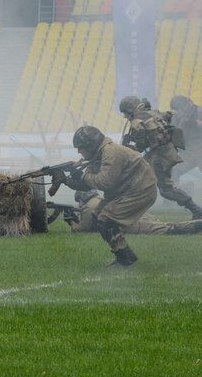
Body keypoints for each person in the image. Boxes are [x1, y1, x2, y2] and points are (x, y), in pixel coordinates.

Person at [62, 125, 158, 266]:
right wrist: (67, 180)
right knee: (98, 215)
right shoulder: (100, 154)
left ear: (91, 145)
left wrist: (82, 176)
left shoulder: (110, 152)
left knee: (106, 220)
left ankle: (123, 260)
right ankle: (127, 255)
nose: (79, 151)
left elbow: (105, 182)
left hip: (139, 190)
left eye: (80, 147)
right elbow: (89, 184)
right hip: (129, 190)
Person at [119, 95, 202, 219]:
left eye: (125, 113)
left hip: (160, 156)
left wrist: (128, 145)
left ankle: (196, 209)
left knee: (164, 188)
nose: (125, 116)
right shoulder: (154, 113)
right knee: (155, 183)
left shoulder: (137, 121)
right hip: (166, 152)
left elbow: (140, 147)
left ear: (130, 110)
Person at [66, 190, 202, 235]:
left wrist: (71, 222)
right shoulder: (97, 200)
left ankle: (197, 225)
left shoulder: (89, 207)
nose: (78, 205)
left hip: (133, 224)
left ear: (83, 199)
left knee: (169, 230)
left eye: (79, 201)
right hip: (136, 216)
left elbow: (84, 229)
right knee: (166, 226)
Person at [169, 95, 202, 180]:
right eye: (175, 110)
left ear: (187, 105)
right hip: (188, 153)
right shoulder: (176, 118)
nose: (178, 112)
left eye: (179, 109)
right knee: (174, 171)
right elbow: (174, 138)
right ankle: (175, 193)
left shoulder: (199, 112)